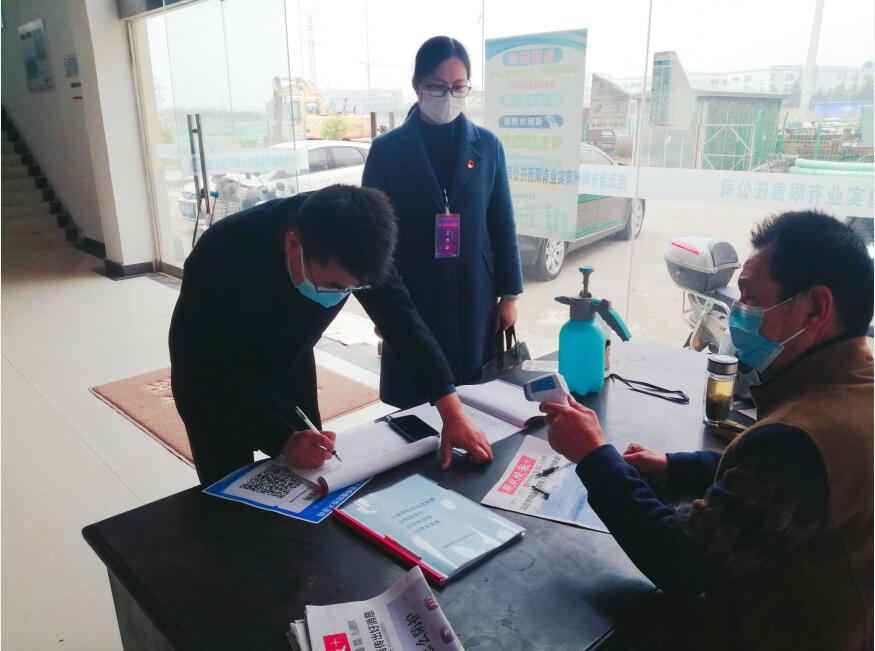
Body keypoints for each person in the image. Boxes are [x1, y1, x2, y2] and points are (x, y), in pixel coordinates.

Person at [541, 211, 873, 650]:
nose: (739, 314)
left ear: (815, 307)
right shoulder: (854, 389)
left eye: (751, 299)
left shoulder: (802, 441)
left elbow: (682, 559)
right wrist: (674, 467)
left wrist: (594, 456)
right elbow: (767, 483)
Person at [170, 185, 493, 486]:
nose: (342, 294)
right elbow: (206, 370)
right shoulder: (222, 253)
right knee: (227, 492)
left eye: (354, 288)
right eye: (335, 287)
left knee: (309, 473)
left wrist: (452, 411)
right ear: (293, 245)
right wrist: (280, 439)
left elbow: (404, 322)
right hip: (212, 381)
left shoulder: (360, 245)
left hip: (290, 362)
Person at [362, 35, 524, 409]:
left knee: (476, 397)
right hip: (411, 292)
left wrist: (509, 295)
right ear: (418, 85)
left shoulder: (487, 146)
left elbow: (502, 222)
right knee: (416, 400)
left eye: (458, 87)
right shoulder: (387, 150)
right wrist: (382, 309)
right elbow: (370, 240)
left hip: (475, 292)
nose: (448, 96)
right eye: (438, 86)